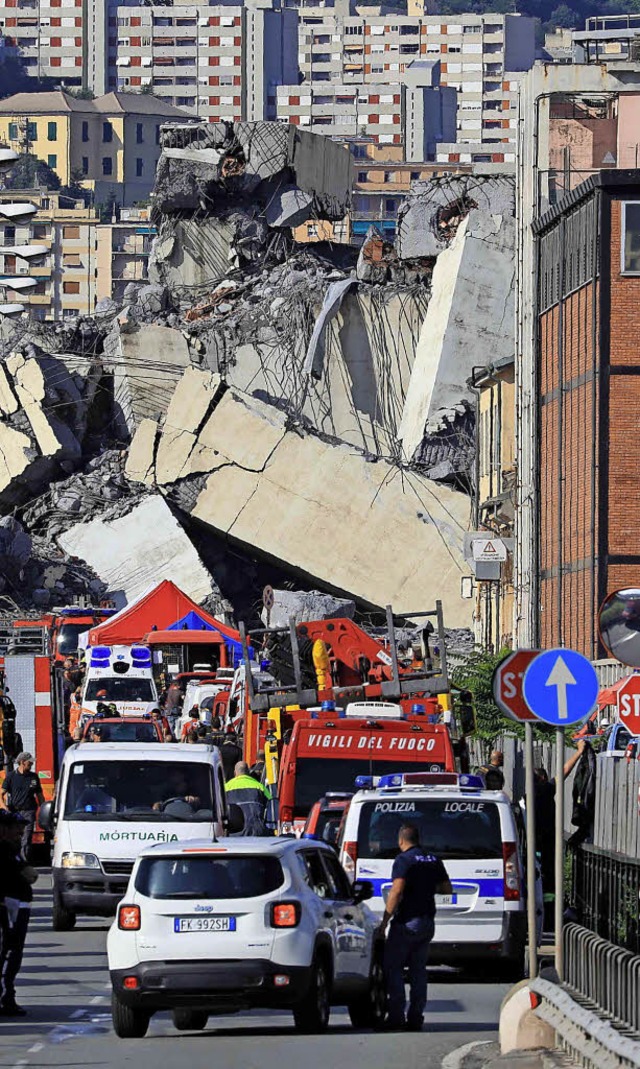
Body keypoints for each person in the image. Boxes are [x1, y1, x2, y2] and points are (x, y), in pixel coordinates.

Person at [380, 822, 452, 1032]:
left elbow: (397, 891)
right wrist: (426, 887)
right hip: (427, 921)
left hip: (407, 922)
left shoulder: (403, 860)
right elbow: (447, 889)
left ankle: (396, 1017)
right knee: (418, 971)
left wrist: (385, 920)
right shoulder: (433, 859)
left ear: (401, 840)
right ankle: (415, 1017)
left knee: (393, 968)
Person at [0, 810, 38, 1016]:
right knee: (9, 951)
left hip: (18, 904)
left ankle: (7, 995)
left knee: (13, 952)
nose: (20, 832)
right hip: (9, 905)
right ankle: (6, 998)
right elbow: (28, 874)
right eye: (16, 828)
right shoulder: (4, 849)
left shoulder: (12, 848)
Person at [0, 753, 44, 860]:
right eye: (30, 762)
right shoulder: (11, 776)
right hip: (14, 811)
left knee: (27, 837)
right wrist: (3, 807)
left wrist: (43, 810)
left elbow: (40, 796)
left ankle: (23, 862)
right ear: (22, 762)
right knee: (13, 838)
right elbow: (1, 793)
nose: (32, 763)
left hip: (29, 811)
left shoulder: (34, 777)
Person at [225, 761, 271, 835]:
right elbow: (271, 805)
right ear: (249, 772)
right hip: (257, 833)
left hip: (234, 834)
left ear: (234, 773)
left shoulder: (226, 788)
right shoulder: (260, 787)